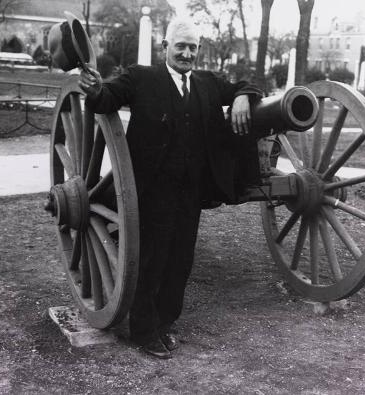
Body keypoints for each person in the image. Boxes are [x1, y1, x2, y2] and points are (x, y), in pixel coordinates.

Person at [79, 18, 262, 359]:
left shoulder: (207, 84)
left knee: (181, 260)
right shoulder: (141, 78)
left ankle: (165, 323)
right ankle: (144, 331)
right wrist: (94, 89)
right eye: (180, 46)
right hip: (150, 188)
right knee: (150, 259)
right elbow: (106, 99)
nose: (187, 53)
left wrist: (241, 98)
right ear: (165, 48)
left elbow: (248, 85)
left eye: (193, 48)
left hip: (191, 191)